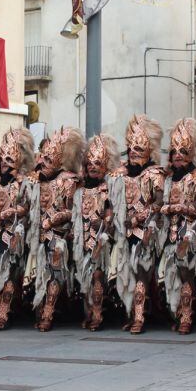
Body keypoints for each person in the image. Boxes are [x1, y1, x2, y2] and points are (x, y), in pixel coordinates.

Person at [111, 115, 166, 335]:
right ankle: (132, 313)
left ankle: (140, 318)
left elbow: (159, 203)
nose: (133, 152)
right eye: (131, 148)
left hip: (146, 231)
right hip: (123, 232)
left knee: (142, 273)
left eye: (139, 149)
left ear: (149, 150)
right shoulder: (119, 174)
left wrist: (138, 218)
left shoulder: (155, 174)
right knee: (128, 274)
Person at [0, 127, 36, 331]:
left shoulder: (24, 183)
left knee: (8, 275)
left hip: (14, 234)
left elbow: (28, 207)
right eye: (2, 159)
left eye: (10, 160)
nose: (4, 163)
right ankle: (0, 310)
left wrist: (9, 213)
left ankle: (4, 313)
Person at [32, 127, 84, 332]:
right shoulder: (35, 178)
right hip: (34, 234)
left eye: (49, 159)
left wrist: (54, 220)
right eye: (43, 157)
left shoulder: (69, 181)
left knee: (56, 258)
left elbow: (74, 211)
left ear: (60, 161)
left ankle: (49, 312)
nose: (43, 162)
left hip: (59, 234)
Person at [159, 119, 196, 335]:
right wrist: (166, 209)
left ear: (190, 154)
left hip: (188, 232)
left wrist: (178, 208)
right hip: (170, 232)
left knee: (187, 273)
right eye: (174, 152)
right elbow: (160, 204)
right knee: (171, 274)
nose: (178, 155)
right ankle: (177, 313)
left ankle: (187, 316)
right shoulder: (168, 180)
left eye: (183, 152)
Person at [74, 134, 120, 332]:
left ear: (105, 167)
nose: (93, 167)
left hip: (100, 242)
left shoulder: (106, 190)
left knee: (98, 277)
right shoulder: (79, 191)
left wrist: (102, 224)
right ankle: (89, 313)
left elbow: (111, 217)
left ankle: (98, 314)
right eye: (90, 164)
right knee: (84, 278)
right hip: (82, 240)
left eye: (97, 164)